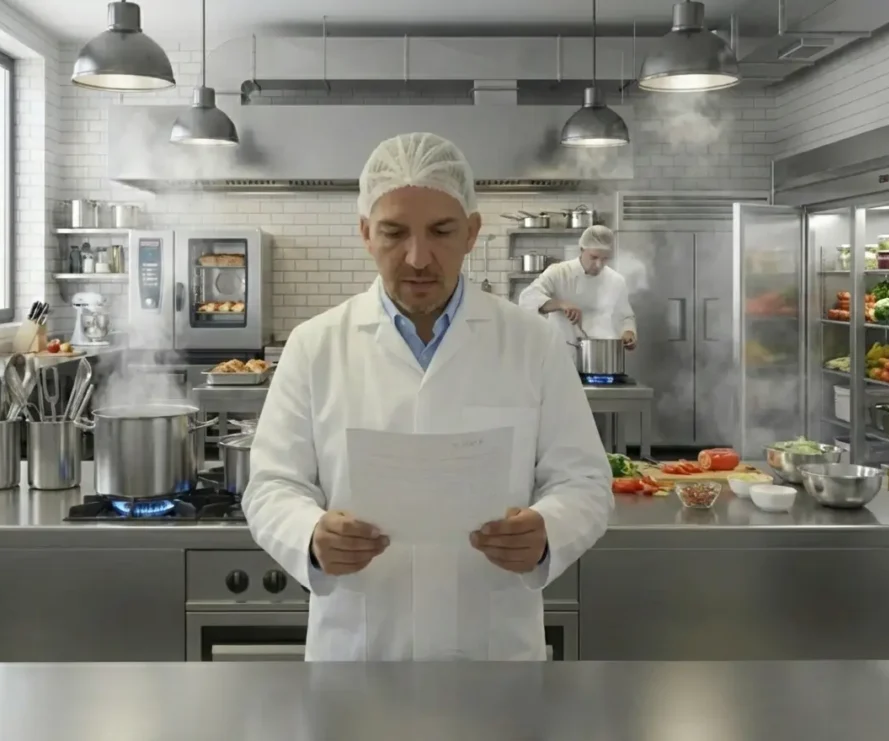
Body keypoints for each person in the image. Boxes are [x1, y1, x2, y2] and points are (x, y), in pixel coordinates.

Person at [243, 132, 612, 661]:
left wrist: (549, 531)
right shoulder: (314, 345)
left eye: (441, 231)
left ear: (472, 232)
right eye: (394, 232)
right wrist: (310, 535)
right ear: (366, 233)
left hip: (493, 658)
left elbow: (585, 482)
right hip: (359, 655)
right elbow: (271, 486)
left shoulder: (532, 343)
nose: (418, 258)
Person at [518, 226, 637, 355]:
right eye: (594, 257)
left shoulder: (616, 280)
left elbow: (625, 316)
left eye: (604, 259)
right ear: (581, 249)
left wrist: (628, 333)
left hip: (601, 355)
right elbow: (527, 298)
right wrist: (560, 304)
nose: (598, 265)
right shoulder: (559, 272)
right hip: (562, 352)